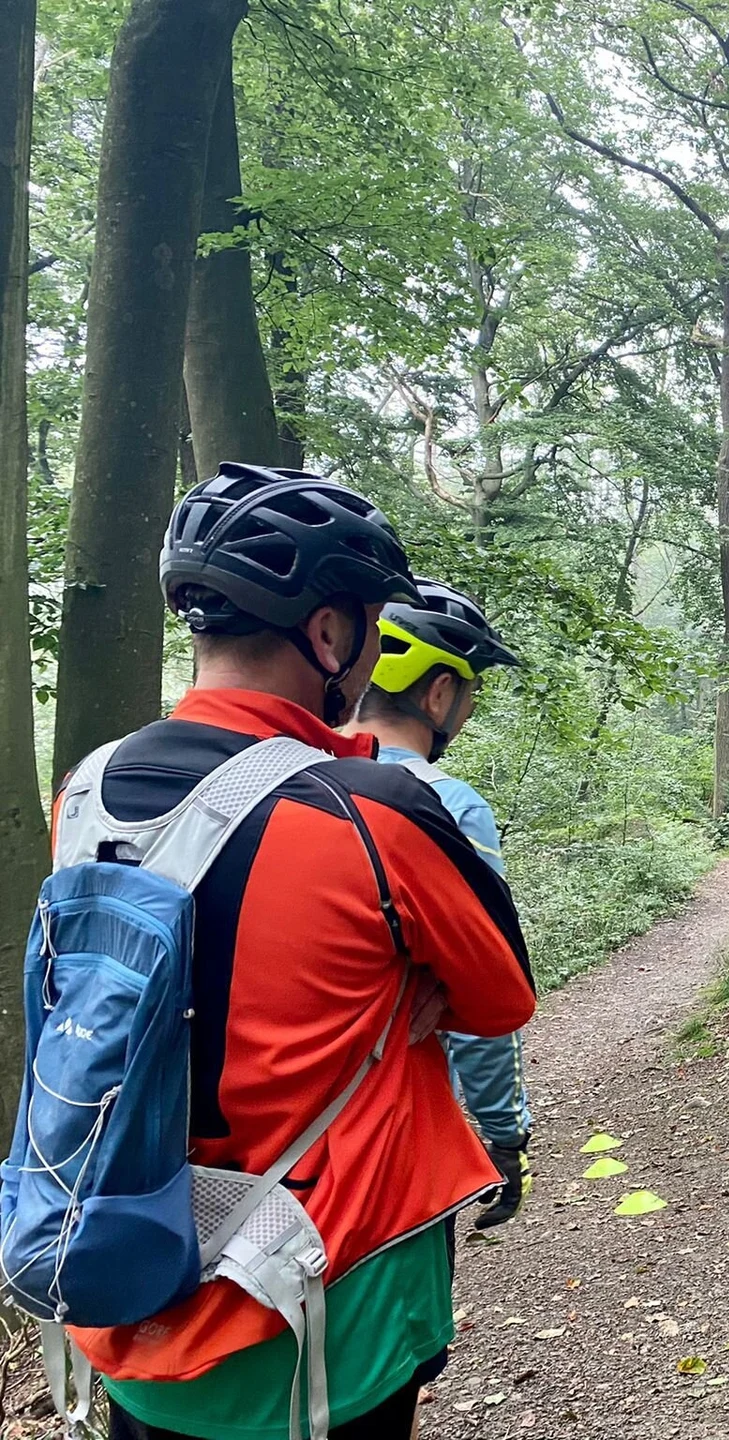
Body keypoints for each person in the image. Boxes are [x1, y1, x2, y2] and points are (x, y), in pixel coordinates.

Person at [83, 464, 536, 1440]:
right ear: (330, 634)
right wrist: (406, 981)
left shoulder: (86, 792)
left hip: (129, 1272)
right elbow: (500, 1002)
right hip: (324, 1306)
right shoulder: (377, 810)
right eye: (371, 622)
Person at [344, 579, 533, 1230]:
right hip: (394, 1134)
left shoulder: (269, 779)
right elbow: (485, 999)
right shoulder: (447, 807)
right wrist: (504, 1135)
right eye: (470, 691)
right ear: (440, 692)